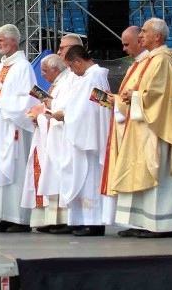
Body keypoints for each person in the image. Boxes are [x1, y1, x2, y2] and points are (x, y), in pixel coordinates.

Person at [107, 18, 172, 238]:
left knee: (157, 173)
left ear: (158, 37)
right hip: (141, 126)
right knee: (139, 172)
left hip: (157, 128)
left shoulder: (162, 60)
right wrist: (125, 98)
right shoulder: (149, 60)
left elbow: (158, 97)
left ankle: (161, 225)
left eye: (144, 31)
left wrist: (132, 96)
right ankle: (141, 222)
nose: (140, 35)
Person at [0, 24, 37, 233]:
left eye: (1, 40)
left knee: (15, 170)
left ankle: (20, 218)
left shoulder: (23, 67)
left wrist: (0, 102)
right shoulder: (0, 67)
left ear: (12, 41)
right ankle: (3, 216)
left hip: (14, 127)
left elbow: (28, 99)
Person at [29, 34, 82, 234]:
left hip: (65, 134)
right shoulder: (65, 78)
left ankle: (67, 220)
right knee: (54, 176)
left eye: (62, 47)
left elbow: (68, 106)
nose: (59, 51)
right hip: (54, 132)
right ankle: (55, 219)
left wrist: (45, 112)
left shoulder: (75, 77)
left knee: (64, 176)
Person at [55, 45, 111, 236]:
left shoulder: (94, 76)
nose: (72, 70)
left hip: (90, 136)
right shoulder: (88, 77)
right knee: (84, 178)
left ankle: (94, 223)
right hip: (85, 133)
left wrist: (65, 115)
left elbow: (91, 107)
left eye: (71, 66)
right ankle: (84, 220)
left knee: (91, 179)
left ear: (78, 60)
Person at [100, 26, 146, 228]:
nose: (124, 49)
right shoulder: (136, 65)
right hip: (129, 128)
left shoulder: (153, 63)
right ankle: (132, 223)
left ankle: (140, 223)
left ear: (140, 41)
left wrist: (122, 99)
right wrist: (117, 100)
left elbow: (151, 98)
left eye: (127, 44)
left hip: (141, 130)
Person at [22, 53, 68, 234]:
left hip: (57, 137)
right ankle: (49, 220)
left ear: (56, 70)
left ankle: (61, 220)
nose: (42, 75)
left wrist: (42, 114)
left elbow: (61, 110)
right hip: (47, 135)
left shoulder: (65, 83)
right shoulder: (57, 84)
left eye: (45, 71)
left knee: (55, 176)